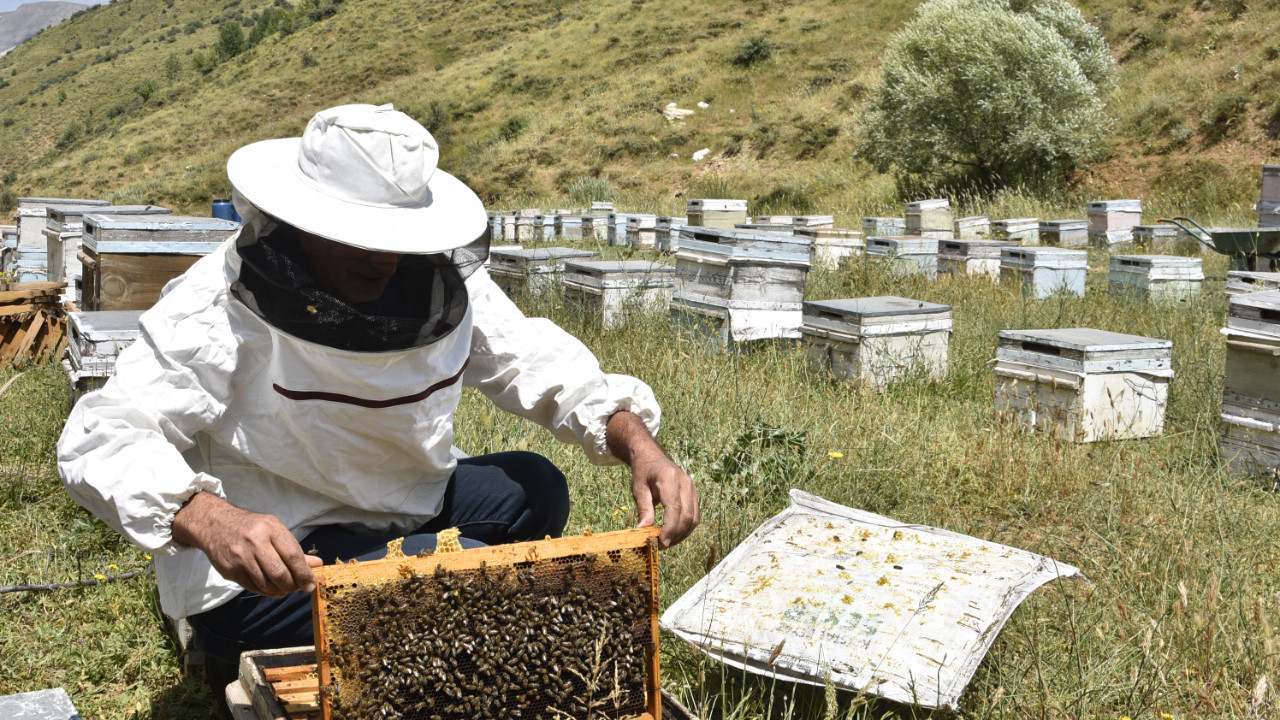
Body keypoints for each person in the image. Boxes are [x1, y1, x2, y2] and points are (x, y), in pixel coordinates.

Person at [56, 104, 699, 691]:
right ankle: (261, 649)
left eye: (399, 237)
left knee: (536, 486)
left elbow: (536, 362)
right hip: (277, 560)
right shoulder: (215, 302)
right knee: (468, 579)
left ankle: (400, 604)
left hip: (398, 512)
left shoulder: (435, 281)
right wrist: (210, 519)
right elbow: (104, 432)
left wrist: (640, 445)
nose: (385, 257)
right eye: (360, 235)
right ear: (299, 222)